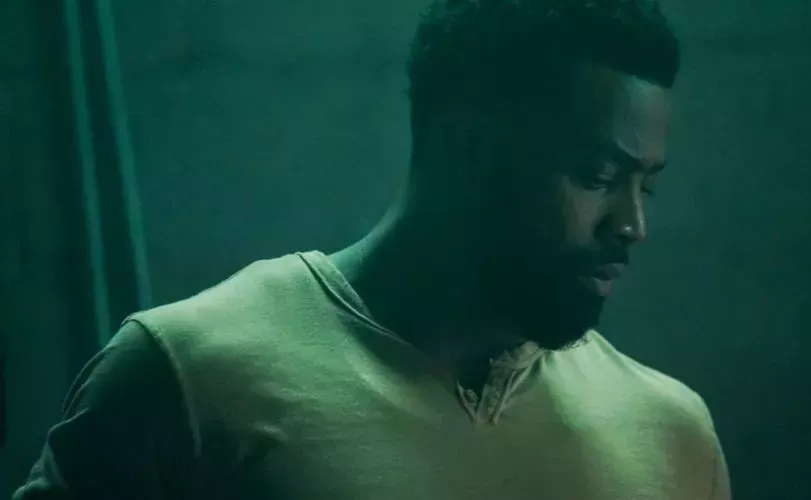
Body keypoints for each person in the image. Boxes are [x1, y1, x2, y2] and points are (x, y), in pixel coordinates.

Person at [14, 0, 731, 498]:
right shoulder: (189, 380)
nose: (632, 224)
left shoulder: (669, 434)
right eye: (598, 176)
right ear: (468, 145)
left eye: (646, 186)